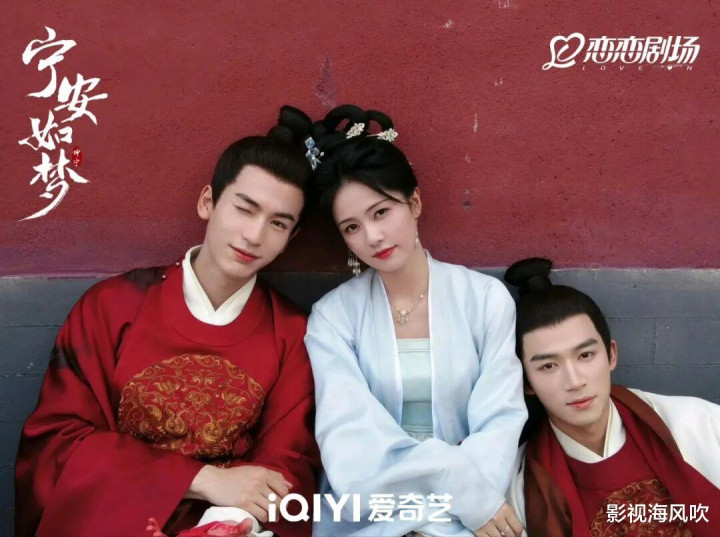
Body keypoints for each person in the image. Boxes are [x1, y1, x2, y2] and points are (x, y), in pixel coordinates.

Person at [15, 106, 321, 537]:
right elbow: (57, 444)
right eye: (244, 209)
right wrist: (200, 478)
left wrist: (224, 526)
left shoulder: (291, 333)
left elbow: (288, 464)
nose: (254, 235)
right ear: (208, 202)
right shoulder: (113, 307)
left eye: (277, 223)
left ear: (291, 238)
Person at [303, 105, 527, 537]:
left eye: (381, 212)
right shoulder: (332, 318)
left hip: (475, 512)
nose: (372, 237)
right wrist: (450, 481)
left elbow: (500, 422)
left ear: (415, 202)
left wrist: (464, 501)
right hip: (372, 512)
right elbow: (349, 443)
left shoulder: (484, 300)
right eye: (351, 227)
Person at [503, 257, 720, 537]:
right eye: (548, 366)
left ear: (611, 354)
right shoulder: (519, 490)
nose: (574, 381)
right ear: (526, 382)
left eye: (585, 355)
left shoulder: (698, 425)